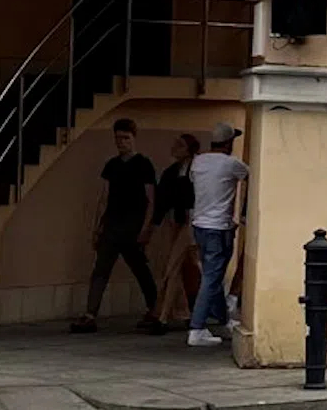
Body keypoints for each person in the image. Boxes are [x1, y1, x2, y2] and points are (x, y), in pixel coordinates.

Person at [72, 118, 161, 334]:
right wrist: (97, 227)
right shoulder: (111, 165)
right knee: (101, 269)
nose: (121, 142)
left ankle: (155, 310)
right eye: (118, 138)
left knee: (140, 270)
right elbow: (104, 197)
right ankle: (90, 315)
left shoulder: (143, 164)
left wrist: (146, 229)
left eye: (126, 138)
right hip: (112, 225)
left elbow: (151, 199)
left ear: (133, 138)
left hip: (133, 226)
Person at [186, 121, 248, 347]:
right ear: (229, 143)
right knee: (212, 277)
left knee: (214, 275)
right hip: (219, 227)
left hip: (200, 225)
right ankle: (197, 328)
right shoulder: (231, 164)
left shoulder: (198, 161)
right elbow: (253, 177)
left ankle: (223, 319)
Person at [150, 134, 202, 328]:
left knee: (173, 267)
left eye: (180, 145)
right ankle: (178, 312)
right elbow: (162, 200)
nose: (175, 148)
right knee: (178, 267)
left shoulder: (195, 170)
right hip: (176, 222)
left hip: (190, 222)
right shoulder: (172, 172)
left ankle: (163, 315)